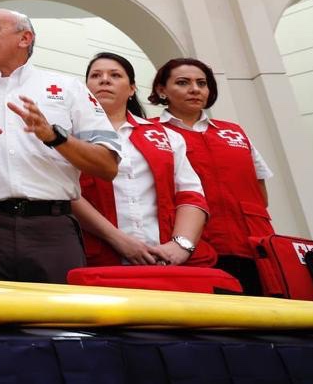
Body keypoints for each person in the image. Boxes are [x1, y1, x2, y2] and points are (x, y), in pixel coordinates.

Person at [0, 9, 121, 283]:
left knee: (60, 310)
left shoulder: (67, 89)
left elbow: (107, 166)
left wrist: (54, 137)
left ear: (24, 38)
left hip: (52, 231)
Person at [74, 52, 214, 268]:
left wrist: (180, 246)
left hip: (166, 259)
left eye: (115, 75)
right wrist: (119, 240)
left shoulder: (167, 136)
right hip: (96, 259)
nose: (105, 80)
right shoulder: (68, 136)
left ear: (132, 89)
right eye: (96, 75)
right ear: (86, 89)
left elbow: (191, 194)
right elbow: (66, 193)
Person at [149, 57, 275, 294]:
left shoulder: (234, 132)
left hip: (255, 248)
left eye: (202, 83)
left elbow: (260, 193)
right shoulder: (148, 132)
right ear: (161, 90)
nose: (195, 89)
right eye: (183, 82)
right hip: (191, 250)